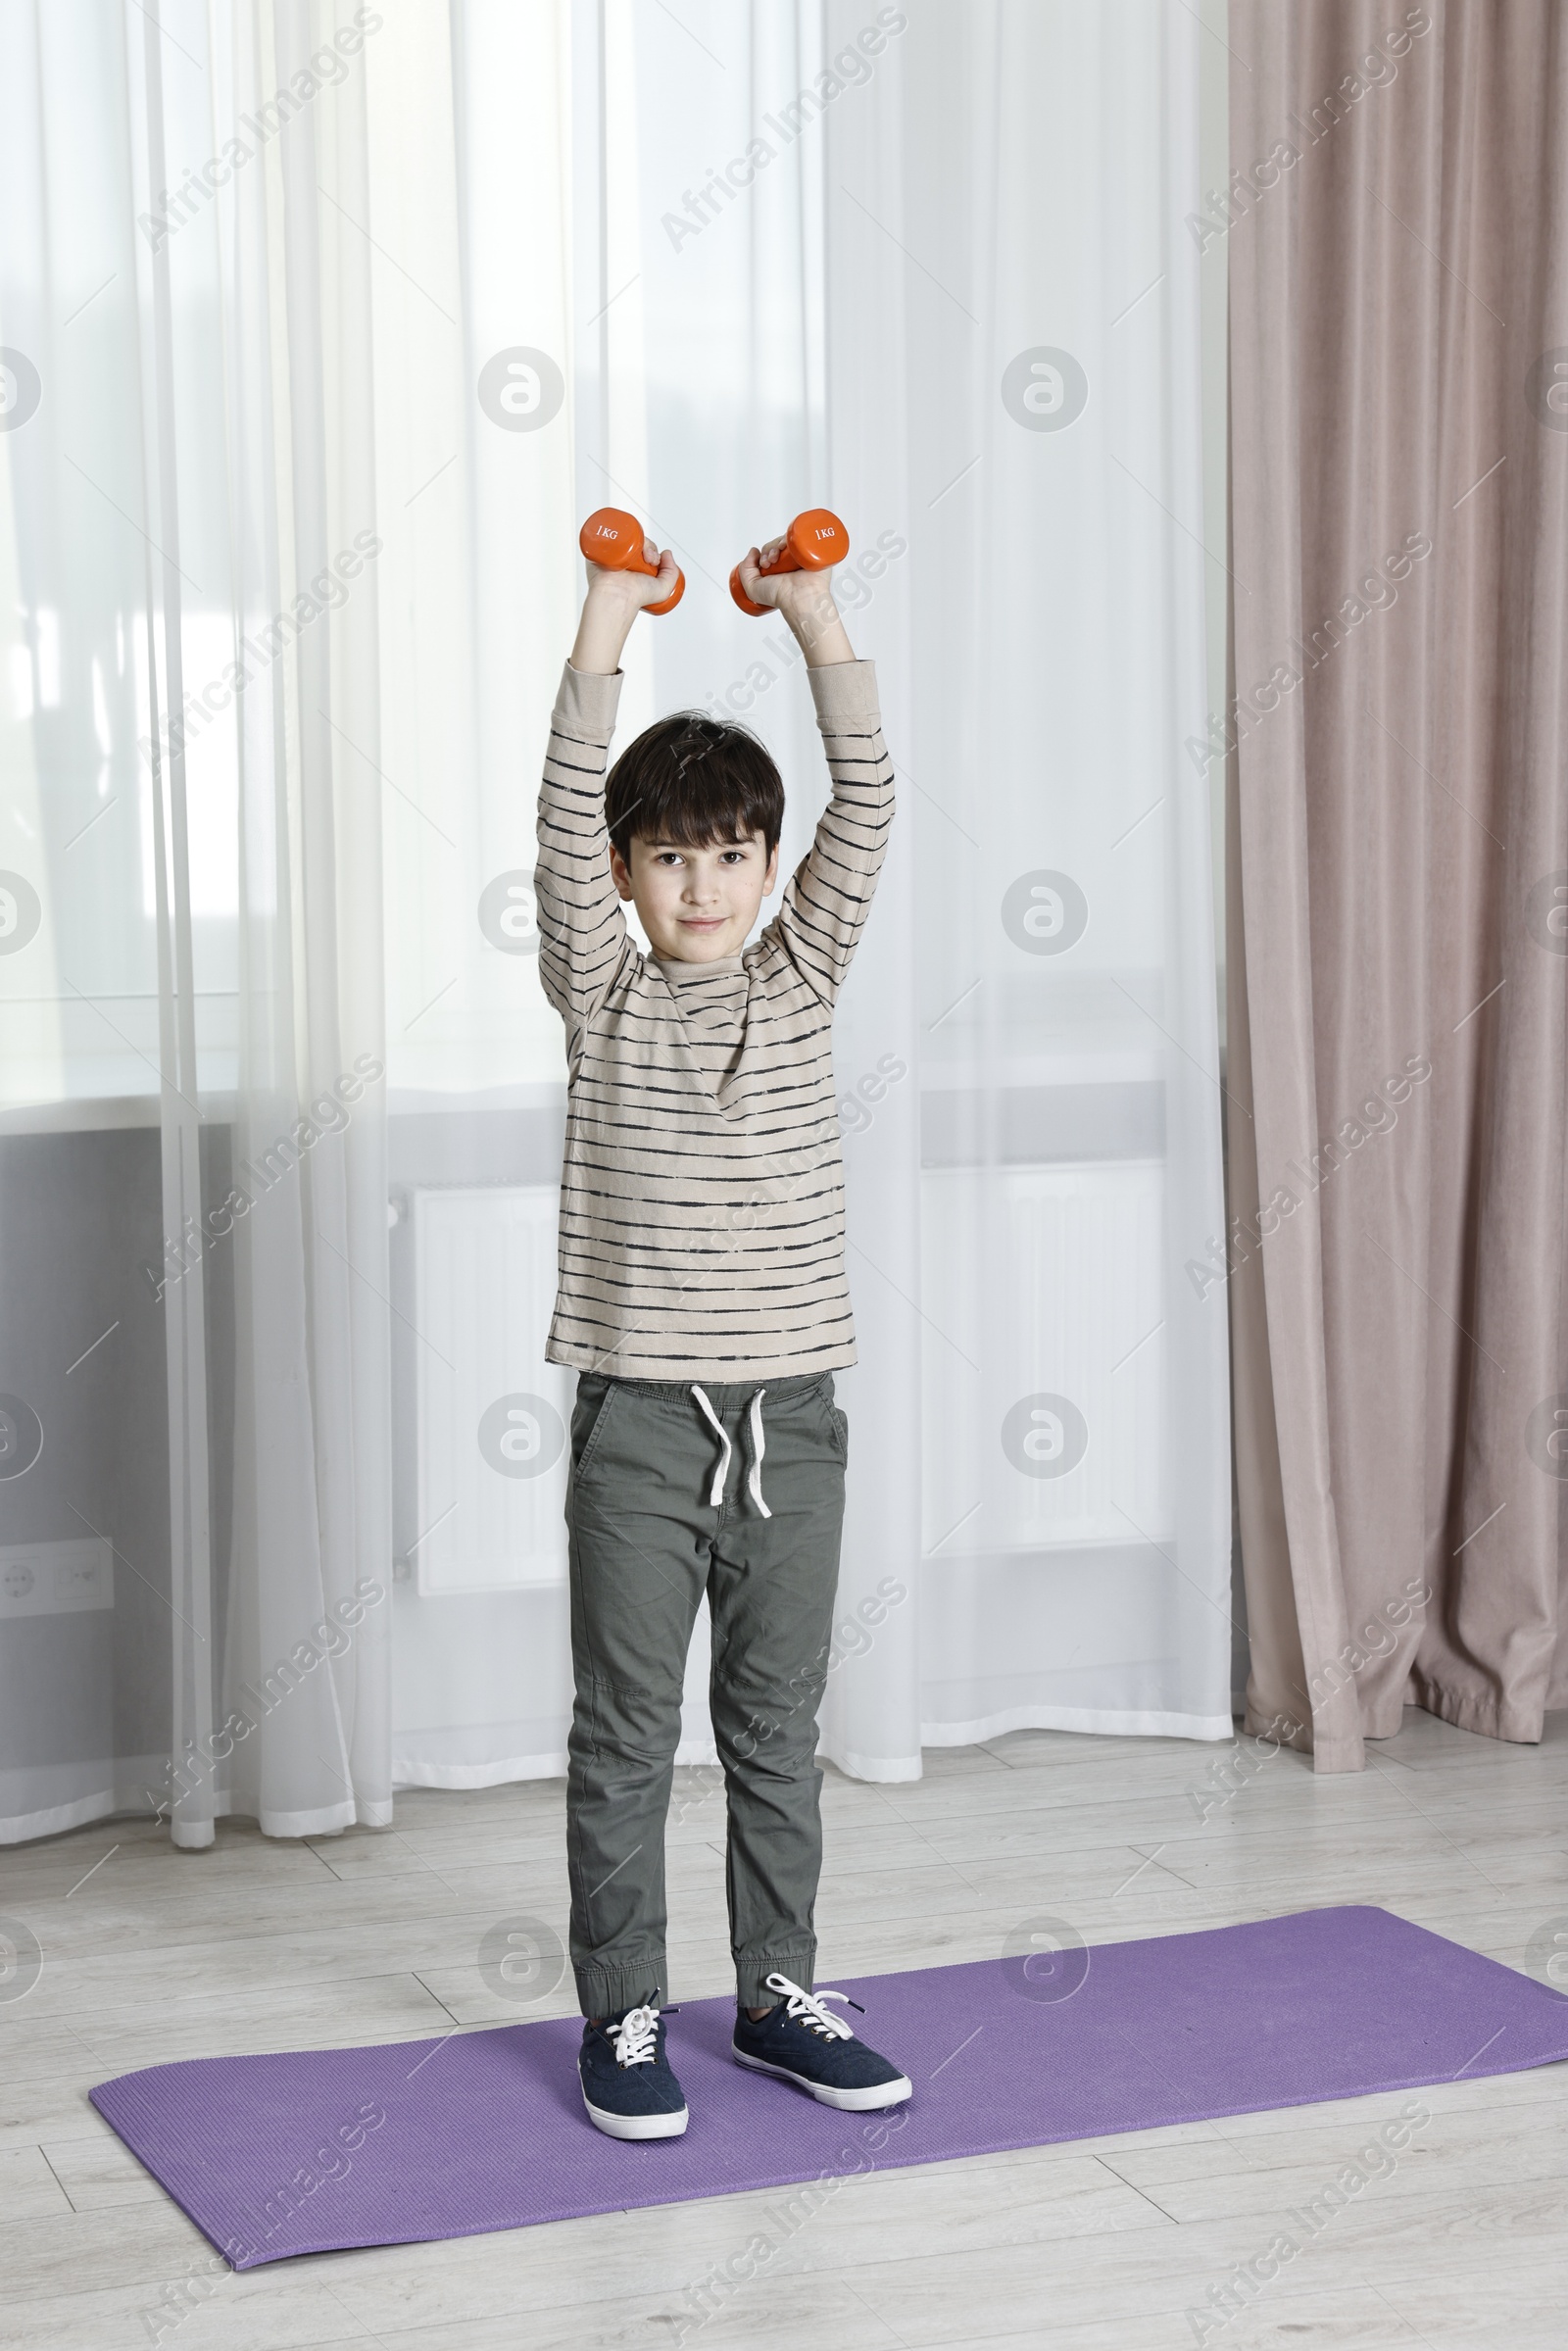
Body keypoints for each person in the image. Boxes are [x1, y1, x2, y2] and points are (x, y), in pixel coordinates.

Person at [533, 520, 911, 2141]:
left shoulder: (804, 975)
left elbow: (871, 800)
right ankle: (623, 2016)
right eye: (671, 857)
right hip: (639, 1424)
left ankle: (776, 1996)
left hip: (795, 1423)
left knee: (774, 1729)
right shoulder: (600, 990)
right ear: (630, 874)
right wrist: (609, 617)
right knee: (625, 1734)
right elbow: (556, 815)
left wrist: (811, 612)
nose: (704, 884)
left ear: (769, 867)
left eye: (732, 853)